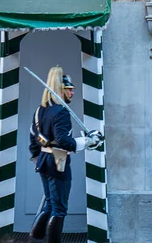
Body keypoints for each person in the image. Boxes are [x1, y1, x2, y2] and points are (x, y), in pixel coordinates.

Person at [28, 67, 99, 242]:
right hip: (57, 163)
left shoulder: (40, 110)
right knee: (59, 208)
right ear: (60, 90)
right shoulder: (61, 111)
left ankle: (34, 238)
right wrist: (87, 142)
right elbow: (63, 141)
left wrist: (37, 157)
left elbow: (33, 138)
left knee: (49, 205)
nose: (72, 92)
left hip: (44, 161)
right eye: (69, 89)